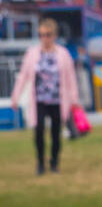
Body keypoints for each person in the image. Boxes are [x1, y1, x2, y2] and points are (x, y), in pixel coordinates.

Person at [11, 17, 82, 176]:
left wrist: (74, 100)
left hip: (58, 99)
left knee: (56, 133)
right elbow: (23, 76)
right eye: (41, 35)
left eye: (48, 34)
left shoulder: (63, 54)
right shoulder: (32, 53)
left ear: (54, 35)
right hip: (39, 100)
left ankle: (54, 163)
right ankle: (41, 164)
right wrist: (16, 96)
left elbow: (70, 78)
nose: (44, 38)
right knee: (39, 131)